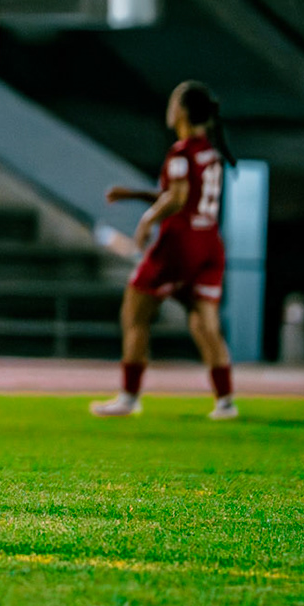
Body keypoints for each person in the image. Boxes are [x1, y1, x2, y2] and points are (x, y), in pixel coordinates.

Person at [91, 80, 239, 421]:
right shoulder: (210, 152)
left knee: (135, 313)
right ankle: (225, 401)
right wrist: (133, 195)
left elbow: (177, 197)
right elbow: (184, 195)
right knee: (206, 326)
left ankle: (128, 397)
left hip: (178, 245)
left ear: (183, 111)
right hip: (209, 245)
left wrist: (146, 220)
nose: (169, 108)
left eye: (174, 101)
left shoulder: (181, 151)